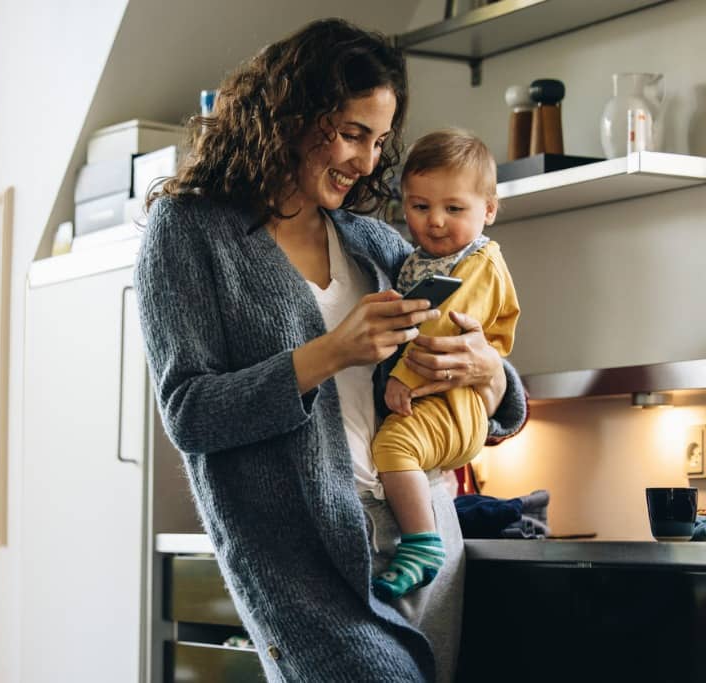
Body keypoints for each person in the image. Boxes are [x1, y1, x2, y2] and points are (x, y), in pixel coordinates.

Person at [134, 18, 527, 683]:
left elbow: (499, 405)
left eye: (378, 141)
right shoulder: (189, 230)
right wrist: (331, 351)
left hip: (424, 529)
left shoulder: (373, 243)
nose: (368, 161)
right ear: (289, 115)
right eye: (349, 134)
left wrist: (490, 371)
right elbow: (189, 411)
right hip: (304, 560)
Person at [371, 129, 520, 601]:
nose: (434, 222)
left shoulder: (478, 263)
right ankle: (422, 539)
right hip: (448, 399)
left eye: (453, 209)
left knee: (394, 447)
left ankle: (421, 543)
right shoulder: (418, 259)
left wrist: (401, 379)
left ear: (488, 210)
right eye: (419, 207)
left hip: (451, 400)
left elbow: (443, 329)